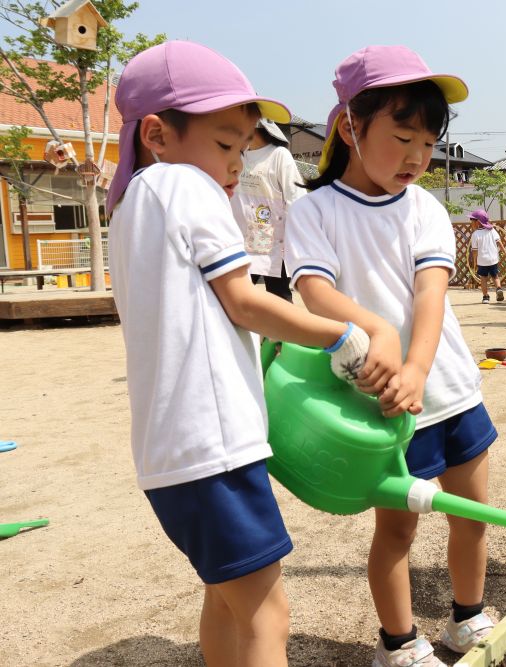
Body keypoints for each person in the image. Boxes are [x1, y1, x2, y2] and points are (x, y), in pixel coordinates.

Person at [106, 41, 370, 667]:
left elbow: (204, 319)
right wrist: (338, 335)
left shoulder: (129, 208)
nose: (236, 164)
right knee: (265, 613)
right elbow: (243, 300)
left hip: (172, 455)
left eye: (244, 147)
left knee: (225, 600)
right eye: (225, 145)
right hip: (215, 450)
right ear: (157, 134)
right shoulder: (185, 185)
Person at [283, 45, 497, 667]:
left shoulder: (426, 208)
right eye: (402, 137)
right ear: (350, 127)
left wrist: (418, 369)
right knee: (397, 531)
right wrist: (379, 334)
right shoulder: (314, 210)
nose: (417, 157)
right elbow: (315, 291)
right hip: (383, 403)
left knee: (472, 517)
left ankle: (467, 617)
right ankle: (399, 643)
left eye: (428, 144)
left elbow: (431, 295)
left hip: (449, 388)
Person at [230, 118, 303, 302]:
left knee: (279, 299)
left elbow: (297, 199)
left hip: (273, 246)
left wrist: (299, 240)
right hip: (240, 241)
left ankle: (285, 331)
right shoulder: (239, 156)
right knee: (237, 300)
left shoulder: (279, 155)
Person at [469, 208, 504, 303]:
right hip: (493, 259)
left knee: (483, 279)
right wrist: (505, 251)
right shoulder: (492, 231)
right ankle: (499, 289)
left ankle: (485, 297)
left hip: (482, 261)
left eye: (472, 220)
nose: (471, 222)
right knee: (495, 276)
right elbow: (499, 242)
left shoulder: (475, 234)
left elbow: (475, 251)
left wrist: (475, 261)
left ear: (478, 222)